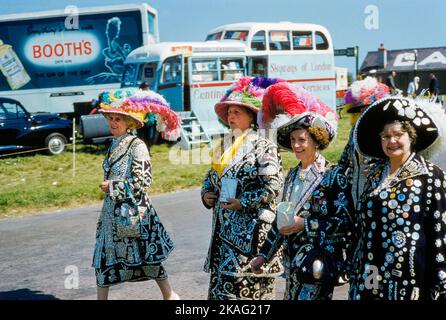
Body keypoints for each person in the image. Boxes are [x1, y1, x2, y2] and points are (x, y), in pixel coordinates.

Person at [250, 83, 349, 300]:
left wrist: (304, 224)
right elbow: (282, 220)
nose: (296, 145)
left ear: (316, 140)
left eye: (302, 140)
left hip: (318, 263)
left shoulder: (333, 175)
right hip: (292, 265)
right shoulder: (292, 175)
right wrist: (263, 256)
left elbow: (344, 222)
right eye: (293, 140)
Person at [349, 96, 446, 300]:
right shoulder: (374, 174)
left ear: (411, 136)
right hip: (371, 271)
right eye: (385, 136)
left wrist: (441, 279)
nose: (391, 141)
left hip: (412, 277)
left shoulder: (431, 175)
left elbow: (439, 231)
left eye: (398, 134)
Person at [92, 89, 181, 300]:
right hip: (110, 216)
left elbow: (143, 182)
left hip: (134, 214)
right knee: (104, 260)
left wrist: (113, 187)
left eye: (118, 119)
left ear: (130, 123)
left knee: (148, 261)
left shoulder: (137, 146)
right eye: (110, 118)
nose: (113, 123)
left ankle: (170, 296)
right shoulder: (113, 144)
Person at [201, 76, 284, 300]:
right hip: (223, 233)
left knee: (248, 295)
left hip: (251, 234)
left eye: (237, 112)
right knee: (222, 293)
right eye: (229, 113)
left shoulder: (264, 144)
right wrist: (206, 193)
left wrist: (243, 202)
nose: (231, 117)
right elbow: (211, 177)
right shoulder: (224, 144)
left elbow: (273, 188)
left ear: (251, 116)